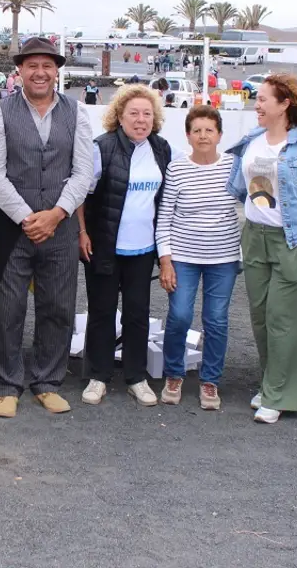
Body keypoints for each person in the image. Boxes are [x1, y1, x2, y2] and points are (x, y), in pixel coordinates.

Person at [0, 37, 95, 418]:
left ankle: (47, 382)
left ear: (57, 71)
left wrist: (57, 213)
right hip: (14, 228)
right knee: (6, 308)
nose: (40, 73)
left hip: (60, 228)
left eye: (47, 66)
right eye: (32, 66)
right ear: (20, 71)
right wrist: (27, 217)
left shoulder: (77, 113)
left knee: (58, 307)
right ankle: (7, 384)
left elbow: (83, 173)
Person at [225, 74, 297, 424]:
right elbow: (240, 187)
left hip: (292, 239)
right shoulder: (253, 140)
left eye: (262, 99)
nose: (256, 104)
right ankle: (271, 382)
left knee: (283, 318)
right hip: (255, 235)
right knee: (260, 317)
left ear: (285, 103)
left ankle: (279, 395)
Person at [77, 84, 172, 407]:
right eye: (134, 113)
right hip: (104, 245)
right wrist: (82, 233)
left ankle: (136, 377)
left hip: (142, 249)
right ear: (119, 116)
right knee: (102, 313)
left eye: (147, 114)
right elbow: (83, 194)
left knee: (137, 314)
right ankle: (99, 376)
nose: (141, 119)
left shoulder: (161, 149)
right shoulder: (101, 148)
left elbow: (163, 200)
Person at [156, 105, 241, 410]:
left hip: (223, 257)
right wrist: (165, 260)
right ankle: (174, 373)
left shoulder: (235, 166)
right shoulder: (177, 169)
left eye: (209, 130)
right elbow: (164, 216)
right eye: (197, 130)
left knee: (216, 320)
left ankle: (210, 380)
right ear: (188, 135)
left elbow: (258, 201)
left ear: (219, 135)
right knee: (179, 315)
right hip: (183, 256)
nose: (203, 136)